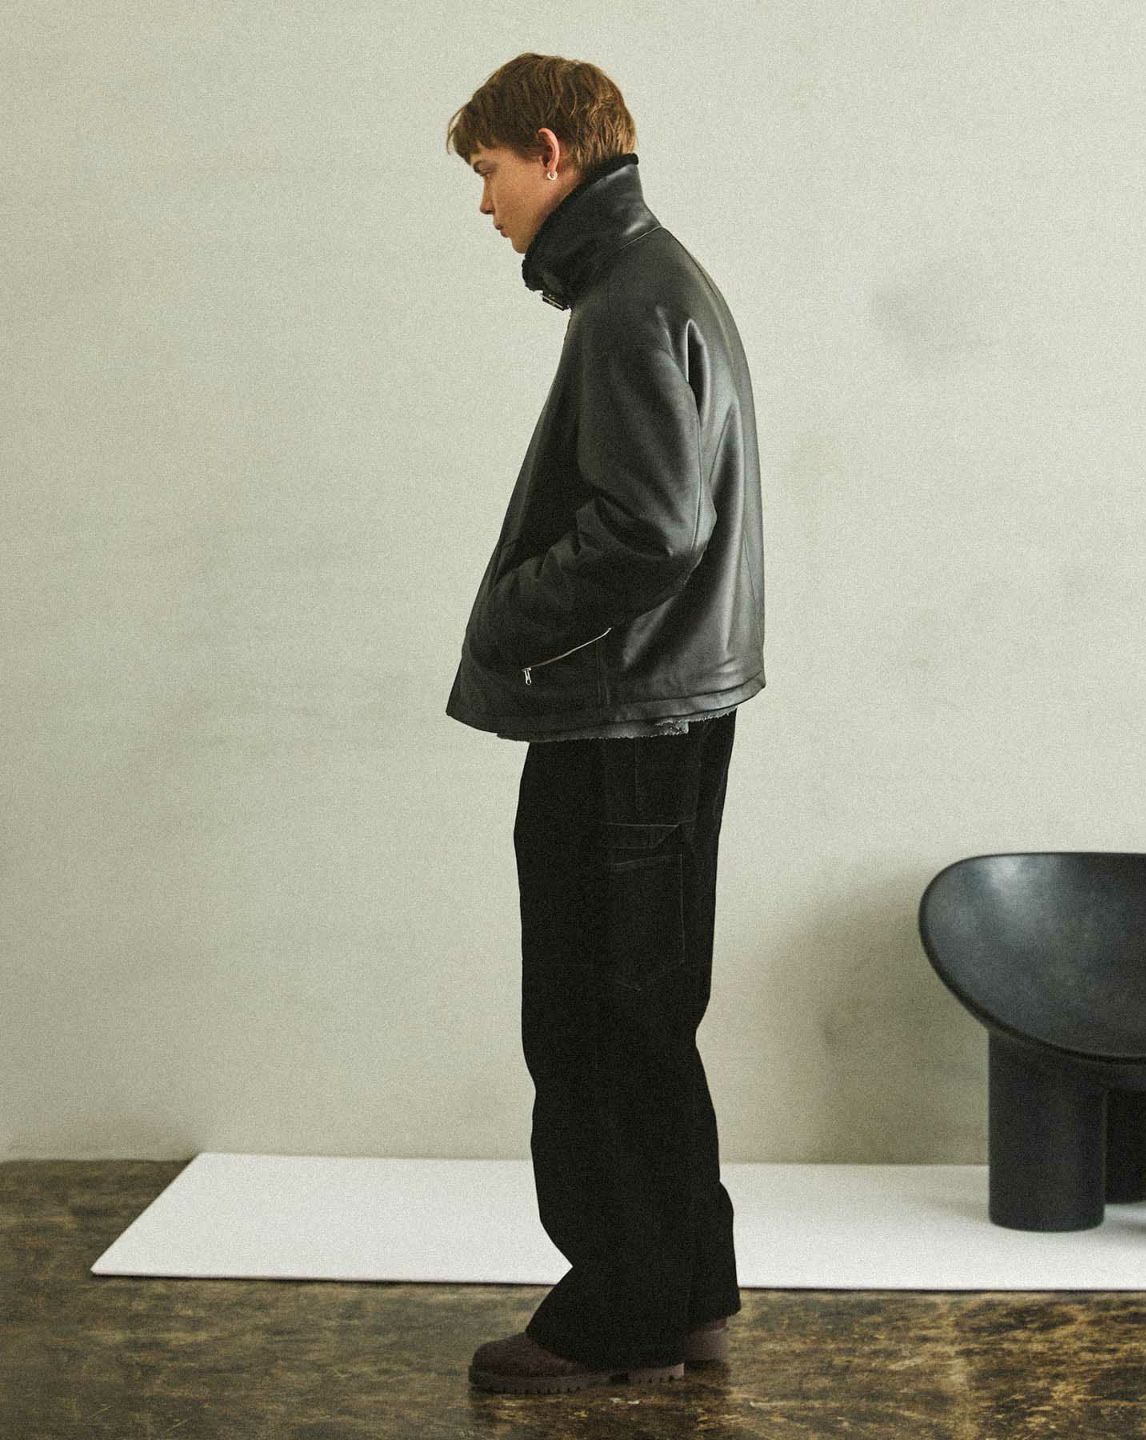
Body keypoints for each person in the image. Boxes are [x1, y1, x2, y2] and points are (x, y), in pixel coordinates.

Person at [444, 51, 766, 1394]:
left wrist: (509, 616)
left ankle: (612, 1320)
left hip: (623, 722)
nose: (485, 204)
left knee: (586, 1024)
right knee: (645, 1018)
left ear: (552, 152)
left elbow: (652, 528)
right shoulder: (656, 279)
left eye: (490, 172)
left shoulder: (630, 299)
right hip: (665, 714)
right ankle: (684, 1299)